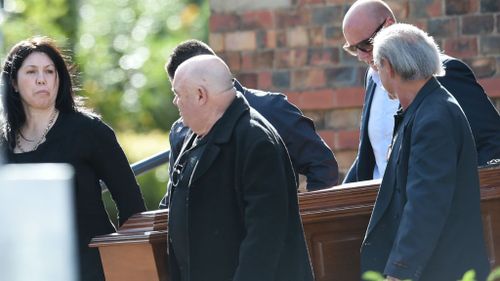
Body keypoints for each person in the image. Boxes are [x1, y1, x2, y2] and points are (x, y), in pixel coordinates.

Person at [0, 36, 146, 281]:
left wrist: (127, 266)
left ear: (59, 79)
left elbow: (131, 205)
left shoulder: (90, 131)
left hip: (91, 270)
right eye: (31, 71)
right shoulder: (3, 142)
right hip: (26, 270)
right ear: (13, 83)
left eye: (49, 71)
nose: (41, 79)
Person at [360, 23, 490, 281]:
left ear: (389, 67)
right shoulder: (424, 109)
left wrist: (399, 272)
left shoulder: (433, 117)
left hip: (443, 270)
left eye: (376, 65)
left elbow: (425, 203)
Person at [167, 54, 314, 281]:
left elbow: (264, 236)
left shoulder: (256, 139)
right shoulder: (195, 137)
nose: (175, 102)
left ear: (200, 95)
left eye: (178, 94)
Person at [159, 39, 337, 209]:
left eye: (182, 92)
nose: (177, 101)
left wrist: (304, 222)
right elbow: (174, 197)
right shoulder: (181, 132)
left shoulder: (271, 109)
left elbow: (322, 166)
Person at [342, 0, 500, 184]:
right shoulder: (372, 77)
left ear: (389, 26)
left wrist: (466, 195)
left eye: (365, 45)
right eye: (353, 49)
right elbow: (369, 155)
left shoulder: (444, 72)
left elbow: (492, 141)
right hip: (381, 206)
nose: (361, 56)